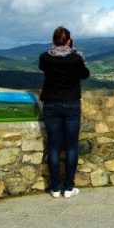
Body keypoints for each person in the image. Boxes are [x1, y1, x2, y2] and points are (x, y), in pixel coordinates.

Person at [39, 26, 90, 198]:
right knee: (71, 146)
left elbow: (43, 67)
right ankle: (68, 188)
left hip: (51, 104)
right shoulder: (76, 58)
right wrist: (74, 52)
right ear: (69, 41)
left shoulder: (45, 57)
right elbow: (85, 74)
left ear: (53, 41)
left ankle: (54, 188)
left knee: (53, 145)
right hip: (71, 104)